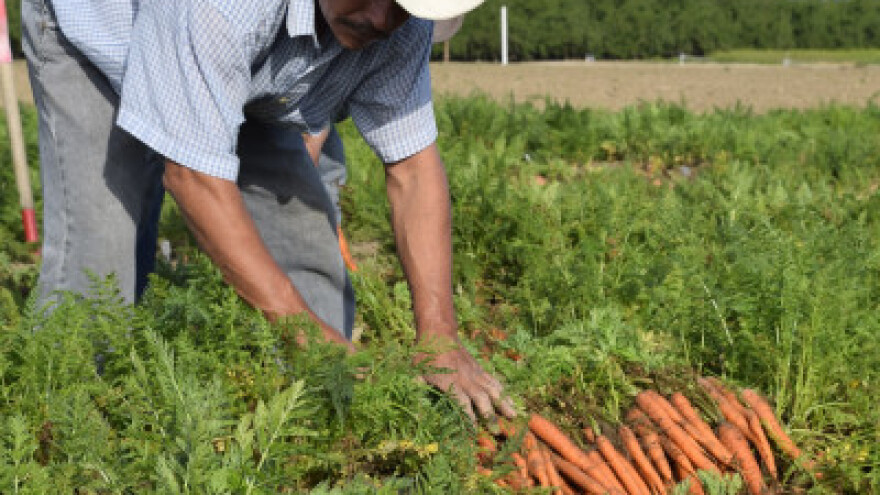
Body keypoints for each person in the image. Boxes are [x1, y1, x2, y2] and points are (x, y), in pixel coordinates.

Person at [22, 0, 514, 422]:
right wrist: (309, 340)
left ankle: (308, 437)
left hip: (252, 69)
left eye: (404, 7)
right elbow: (193, 177)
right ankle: (65, 446)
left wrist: (439, 341)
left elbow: (413, 169)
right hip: (105, 35)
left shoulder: (397, 22)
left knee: (311, 266)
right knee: (100, 271)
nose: (384, 18)